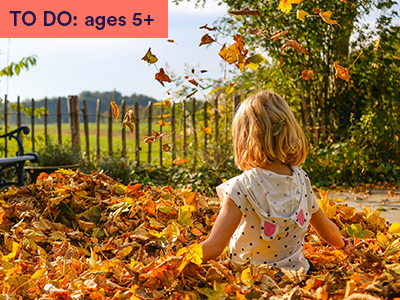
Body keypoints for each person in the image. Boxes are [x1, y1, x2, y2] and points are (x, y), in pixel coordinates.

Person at [201, 90, 347, 273]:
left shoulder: (240, 187)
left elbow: (214, 246)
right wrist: (345, 247)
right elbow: (328, 231)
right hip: (298, 273)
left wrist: (176, 259)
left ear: (245, 137)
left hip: (251, 279)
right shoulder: (302, 179)